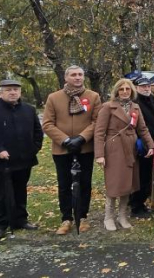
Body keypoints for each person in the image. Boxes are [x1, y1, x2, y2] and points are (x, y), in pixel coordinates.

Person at [0, 79, 43, 239]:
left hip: (23, 160)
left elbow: (38, 132)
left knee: (20, 191)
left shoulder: (29, 110)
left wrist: (33, 149)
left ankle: (20, 220)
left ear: (20, 93)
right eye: (8, 90)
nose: (13, 92)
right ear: (0, 93)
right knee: (0, 194)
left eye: (15, 90)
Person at [42, 65, 102, 235]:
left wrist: (82, 138)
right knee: (64, 184)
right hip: (62, 149)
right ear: (66, 78)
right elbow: (47, 124)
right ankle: (66, 218)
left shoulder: (93, 96)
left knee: (84, 183)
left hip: (85, 148)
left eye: (80, 75)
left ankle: (82, 217)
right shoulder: (54, 98)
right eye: (73, 75)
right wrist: (66, 140)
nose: (77, 77)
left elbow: (97, 121)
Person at [94, 78, 154, 231]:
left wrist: (151, 146)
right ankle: (109, 216)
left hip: (131, 148)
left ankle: (122, 216)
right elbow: (99, 132)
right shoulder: (108, 107)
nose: (125, 92)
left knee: (129, 183)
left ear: (132, 91)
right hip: (114, 149)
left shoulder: (135, 107)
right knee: (115, 183)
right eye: (121, 89)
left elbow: (142, 129)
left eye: (127, 89)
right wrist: (100, 154)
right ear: (116, 91)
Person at [130, 75, 154, 218]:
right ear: (136, 88)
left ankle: (141, 201)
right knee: (140, 176)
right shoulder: (135, 103)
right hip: (141, 146)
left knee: (148, 176)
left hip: (153, 144)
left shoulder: (151, 100)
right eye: (143, 86)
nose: (146, 88)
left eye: (148, 86)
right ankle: (136, 205)